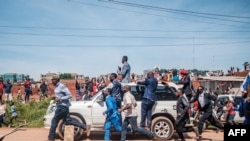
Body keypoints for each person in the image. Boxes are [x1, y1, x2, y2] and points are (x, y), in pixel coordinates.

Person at [48, 75, 89, 141]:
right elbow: (60, 95)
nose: (52, 81)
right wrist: (55, 97)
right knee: (68, 120)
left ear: (56, 80)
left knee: (54, 120)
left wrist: (60, 98)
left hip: (62, 106)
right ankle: (84, 126)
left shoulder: (61, 86)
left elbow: (69, 95)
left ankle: (51, 138)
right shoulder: (57, 87)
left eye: (53, 80)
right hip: (63, 106)